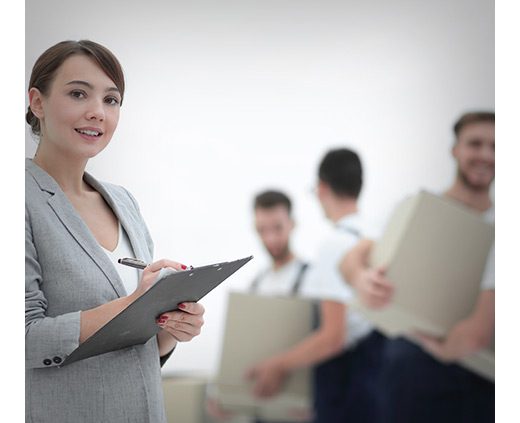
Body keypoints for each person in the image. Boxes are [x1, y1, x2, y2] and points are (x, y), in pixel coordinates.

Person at [25, 40, 205, 423]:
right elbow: (22, 339)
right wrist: (134, 304)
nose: (97, 113)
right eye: (78, 93)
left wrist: (169, 328)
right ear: (37, 102)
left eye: (111, 100)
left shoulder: (124, 203)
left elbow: (129, 344)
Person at [340, 111, 495, 422]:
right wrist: (361, 278)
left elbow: (477, 333)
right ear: (456, 150)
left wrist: (448, 346)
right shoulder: (418, 207)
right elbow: (352, 257)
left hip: (483, 382)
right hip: (410, 372)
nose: (485, 154)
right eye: (475, 144)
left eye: (495, 146)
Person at [247, 149, 386, 423]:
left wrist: (277, 366)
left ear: (321, 189)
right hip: (379, 383)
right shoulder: (378, 234)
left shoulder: (334, 245)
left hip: (347, 390)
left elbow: (333, 337)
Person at [206, 190, 310, 423]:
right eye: (262, 230)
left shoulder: (312, 279)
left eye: (277, 228)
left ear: (292, 224)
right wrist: (225, 394)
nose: (270, 238)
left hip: (297, 408)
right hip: (260, 408)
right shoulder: (256, 283)